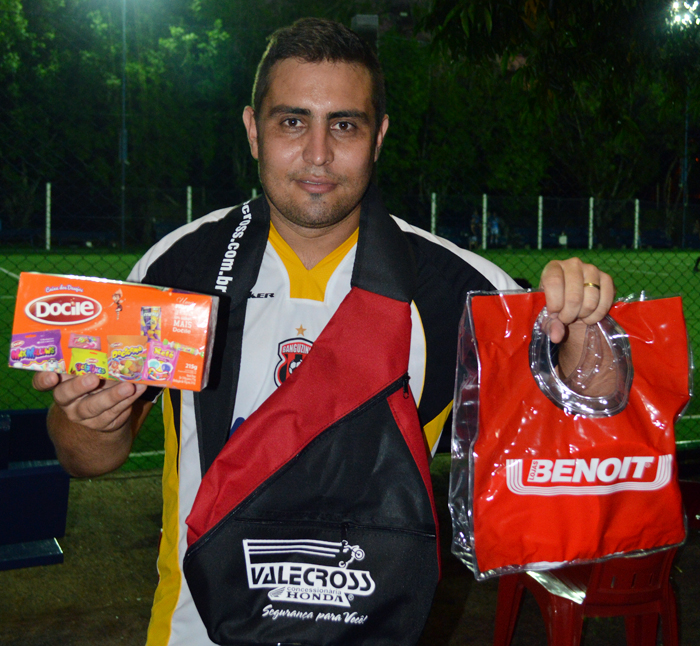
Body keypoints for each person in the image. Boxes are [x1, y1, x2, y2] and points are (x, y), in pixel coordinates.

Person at [32, 17, 615, 646]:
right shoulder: (178, 270)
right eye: (291, 121)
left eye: (344, 124)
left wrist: (586, 326)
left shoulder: (458, 289)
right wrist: (93, 419)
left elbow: (589, 427)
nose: (317, 153)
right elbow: (84, 457)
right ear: (253, 130)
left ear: (378, 136)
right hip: (196, 630)